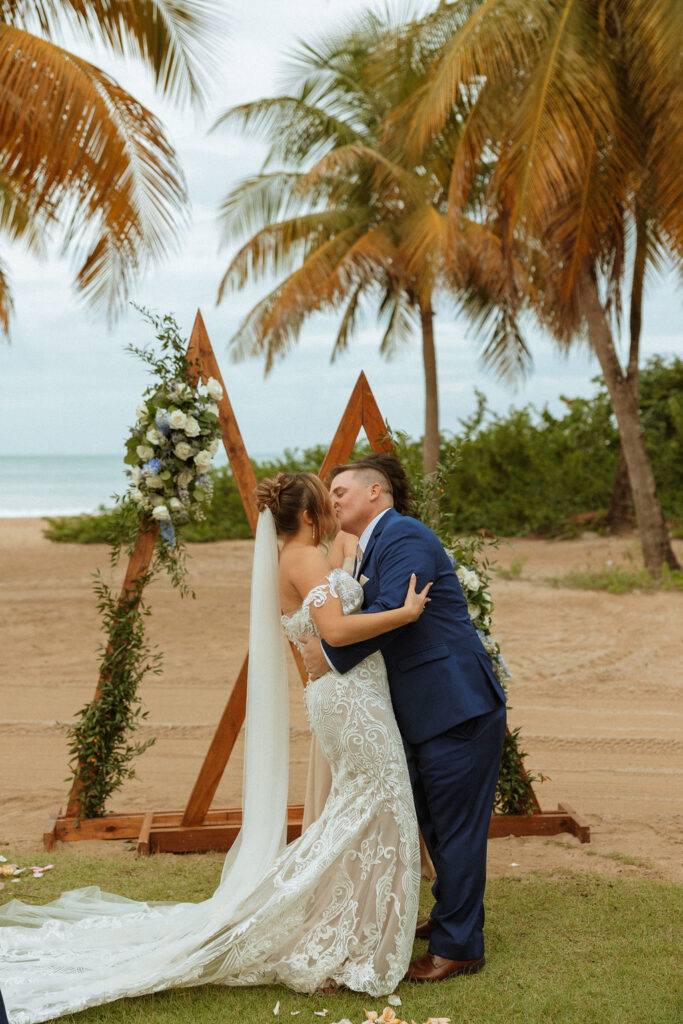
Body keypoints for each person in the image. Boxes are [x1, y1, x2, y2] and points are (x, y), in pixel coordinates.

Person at [0, 472, 428, 1022]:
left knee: (363, 809)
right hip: (350, 701)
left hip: (342, 697)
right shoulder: (304, 560)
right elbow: (338, 633)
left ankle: (343, 927)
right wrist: (406, 613)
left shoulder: (298, 557)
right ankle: (332, 932)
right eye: (325, 502)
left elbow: (335, 596)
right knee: (377, 805)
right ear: (307, 514)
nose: (329, 510)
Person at [299, 454, 507, 983]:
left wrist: (330, 653)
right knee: (436, 823)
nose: (334, 498)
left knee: (456, 829)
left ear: (376, 492)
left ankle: (459, 947)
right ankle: (450, 915)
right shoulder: (370, 549)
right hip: (423, 709)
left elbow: (391, 609)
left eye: (341, 489)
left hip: (454, 704)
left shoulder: (406, 536)